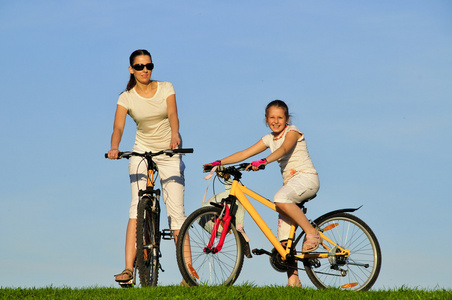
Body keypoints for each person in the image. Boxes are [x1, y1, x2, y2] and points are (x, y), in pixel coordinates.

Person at [203, 100, 320, 288]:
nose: (276, 121)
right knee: (283, 238)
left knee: (279, 198)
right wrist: (218, 162)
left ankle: (311, 232)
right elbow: (244, 153)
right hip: (291, 185)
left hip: (306, 179)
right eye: (272, 118)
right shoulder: (268, 139)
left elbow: (284, 149)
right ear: (266, 119)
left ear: (287, 119)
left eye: (280, 117)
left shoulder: (292, 132)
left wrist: (263, 161)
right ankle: (294, 281)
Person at [107, 49, 188, 283]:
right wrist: (114, 147)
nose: (145, 70)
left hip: (169, 151)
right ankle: (128, 269)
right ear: (131, 69)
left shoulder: (166, 88)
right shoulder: (126, 97)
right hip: (141, 151)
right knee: (135, 207)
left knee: (176, 212)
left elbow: (173, 114)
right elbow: (118, 128)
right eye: (140, 66)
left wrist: (175, 135)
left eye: (149, 66)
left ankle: (188, 271)